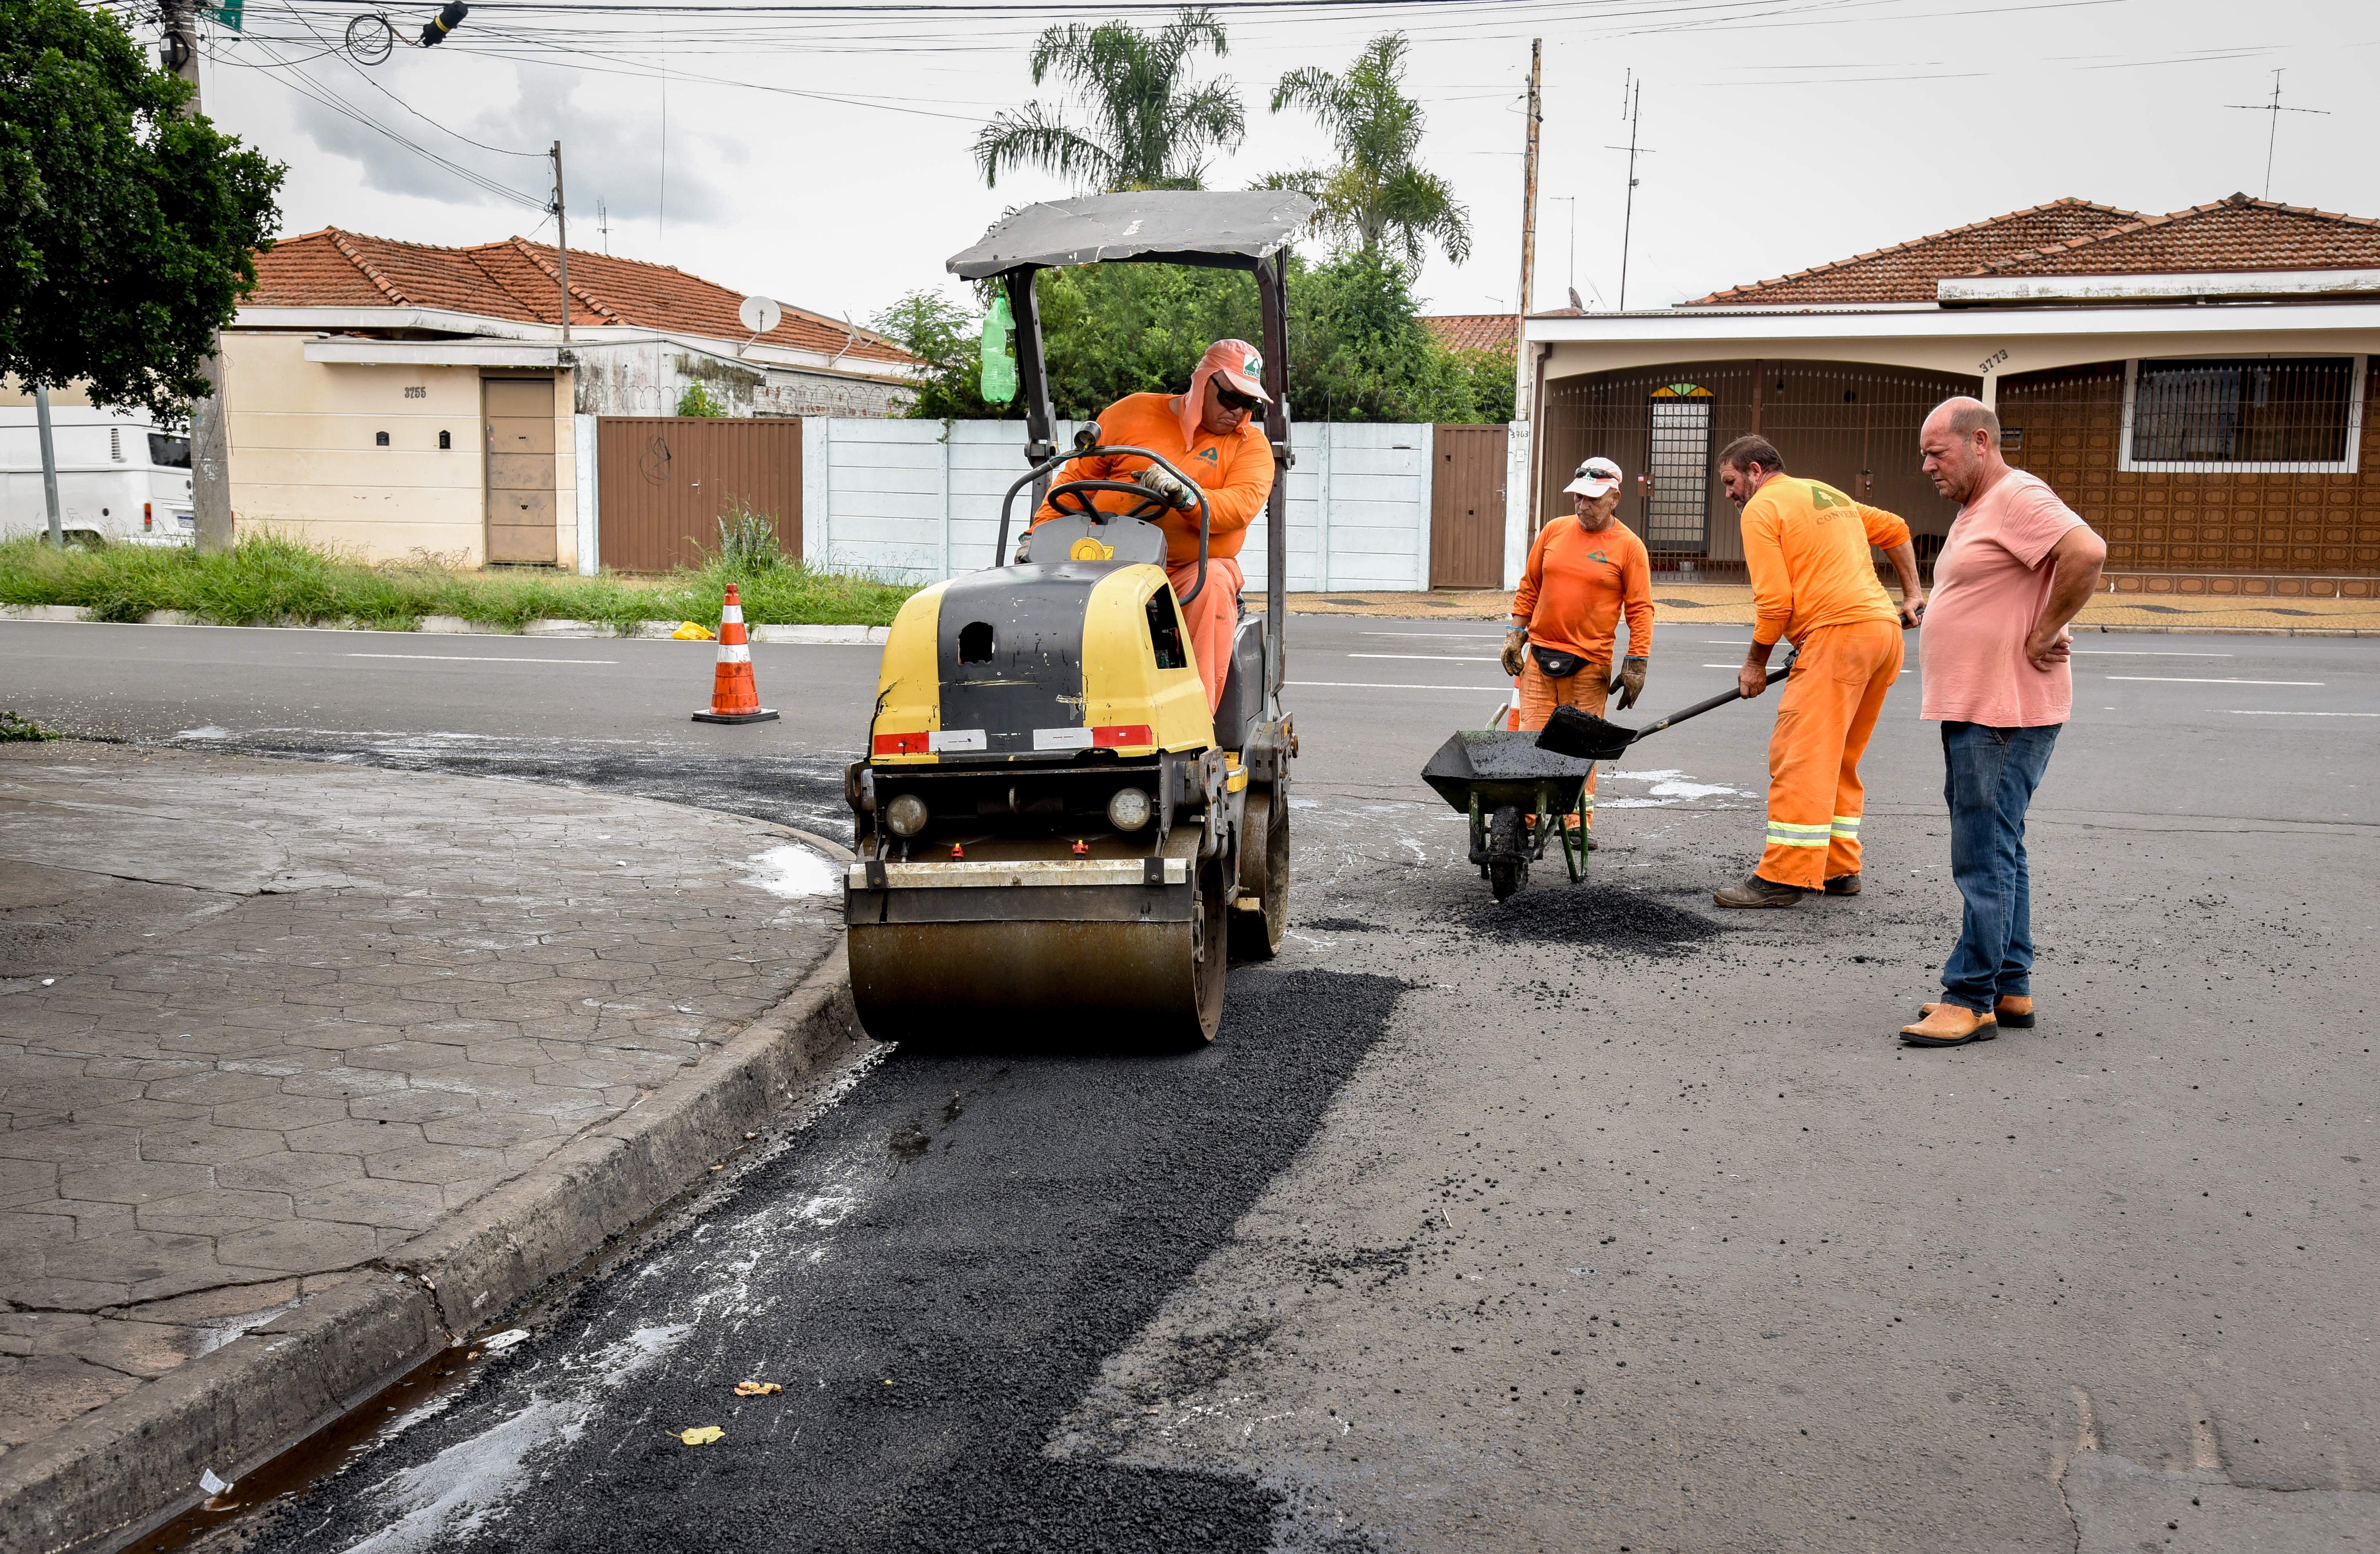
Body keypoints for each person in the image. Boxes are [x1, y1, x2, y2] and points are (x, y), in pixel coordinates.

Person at [1899, 397, 2107, 1048]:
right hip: (1980, 704)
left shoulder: (2017, 494)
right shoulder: (1977, 509)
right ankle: (2010, 985)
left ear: (1980, 442)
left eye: (1938, 452)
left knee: (1982, 849)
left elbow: (2086, 551)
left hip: (2002, 709)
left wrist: (2046, 631)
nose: (1927, 465)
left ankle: (1971, 996)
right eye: (1925, 454)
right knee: (2000, 842)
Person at [1713, 436, 1927, 909]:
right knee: (1841, 757)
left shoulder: (1762, 508)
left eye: (1730, 482)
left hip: (1837, 637)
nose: (1729, 493)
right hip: (1882, 636)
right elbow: (1895, 527)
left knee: (1800, 755)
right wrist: (1913, 594)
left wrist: (1755, 664)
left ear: (1754, 470)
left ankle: (1785, 876)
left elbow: (1774, 602)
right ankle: (1838, 867)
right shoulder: (1826, 493)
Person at [1030, 339, 1275, 712]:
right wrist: (1035, 539)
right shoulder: (1131, 413)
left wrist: (1187, 497)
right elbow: (1073, 480)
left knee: (1212, 583)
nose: (1239, 412)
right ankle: (1047, 710)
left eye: (1249, 404)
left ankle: (1194, 722)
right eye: (1230, 398)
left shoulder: (1251, 447)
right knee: (1035, 590)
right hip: (1101, 562)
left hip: (1183, 572)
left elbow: (1238, 507)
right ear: (1204, 381)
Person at [1502, 457, 1654, 840]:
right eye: (1578, 498)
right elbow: (1530, 587)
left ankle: (1575, 824)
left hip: (1590, 666)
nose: (1582, 506)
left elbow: (1641, 610)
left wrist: (1636, 663)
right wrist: (1515, 634)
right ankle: (1529, 818)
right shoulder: (1554, 532)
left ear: (1615, 498)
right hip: (1539, 658)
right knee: (1532, 743)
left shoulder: (1630, 548)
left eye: (1592, 499)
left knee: (1580, 749)